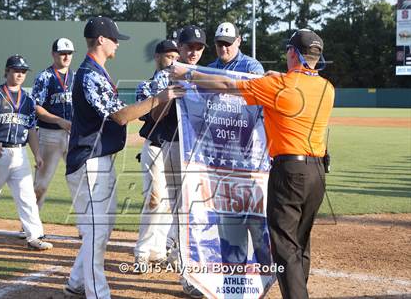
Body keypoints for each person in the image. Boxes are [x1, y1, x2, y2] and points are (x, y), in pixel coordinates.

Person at [171, 28, 335, 299]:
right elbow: (298, 84)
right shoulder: (327, 88)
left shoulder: (278, 86)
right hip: (317, 172)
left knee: (283, 246)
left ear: (293, 53)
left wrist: (188, 74)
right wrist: (279, 76)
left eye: (287, 51)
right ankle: (300, 290)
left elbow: (226, 86)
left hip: (289, 172)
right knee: (301, 243)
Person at [62, 16, 184, 299]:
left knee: (99, 230)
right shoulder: (90, 74)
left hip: (97, 160)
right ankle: (97, 293)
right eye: (115, 38)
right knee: (98, 232)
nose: (118, 43)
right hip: (89, 162)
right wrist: (161, 97)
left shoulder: (96, 72)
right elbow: (120, 116)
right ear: (101, 40)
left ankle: (76, 282)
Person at [134, 25, 207, 298]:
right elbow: (153, 119)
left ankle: (173, 254)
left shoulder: (205, 74)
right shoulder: (159, 81)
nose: (177, 56)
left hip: (197, 152)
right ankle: (150, 254)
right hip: (167, 147)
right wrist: (171, 93)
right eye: (172, 52)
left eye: (197, 48)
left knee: (185, 209)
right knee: (164, 204)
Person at [206, 21, 270, 266]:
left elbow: (257, 100)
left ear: (239, 41)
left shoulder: (250, 66)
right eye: (220, 44)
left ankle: (267, 266)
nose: (224, 48)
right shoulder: (210, 68)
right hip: (221, 155)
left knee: (255, 213)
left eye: (228, 43)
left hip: (249, 153)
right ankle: (235, 267)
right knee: (228, 214)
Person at [0, 55, 53, 250]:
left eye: (23, 71)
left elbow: (32, 130)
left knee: (27, 197)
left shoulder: (28, 100)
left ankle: (34, 236)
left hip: (20, 154)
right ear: (7, 71)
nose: (20, 74)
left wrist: (37, 154)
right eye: (16, 70)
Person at [133, 39, 180, 268]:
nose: (173, 60)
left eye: (176, 56)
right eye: (169, 56)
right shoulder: (145, 86)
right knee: (154, 198)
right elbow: (152, 117)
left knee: (169, 202)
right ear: (158, 57)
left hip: (174, 147)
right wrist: (166, 91)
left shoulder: (183, 83)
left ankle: (158, 251)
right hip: (154, 146)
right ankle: (142, 252)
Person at [32, 37, 75, 210]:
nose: (66, 57)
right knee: (41, 184)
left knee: (79, 181)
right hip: (50, 135)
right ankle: (30, 226)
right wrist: (58, 120)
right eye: (62, 53)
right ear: (53, 54)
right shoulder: (45, 77)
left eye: (69, 53)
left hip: (73, 135)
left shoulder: (77, 77)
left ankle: (85, 228)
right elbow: (36, 107)